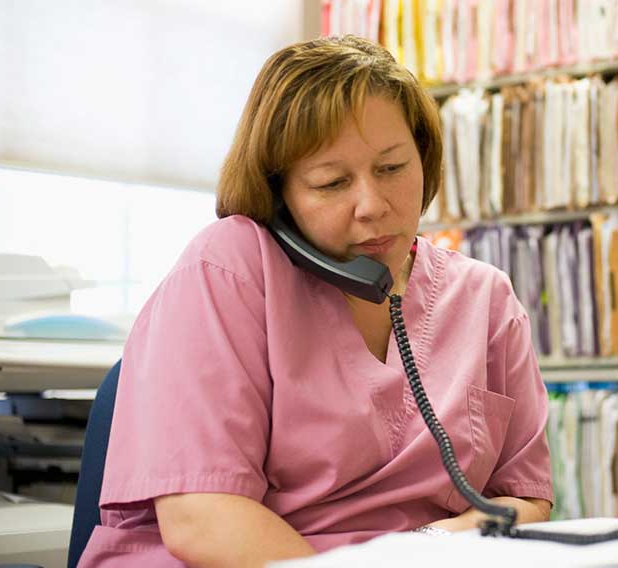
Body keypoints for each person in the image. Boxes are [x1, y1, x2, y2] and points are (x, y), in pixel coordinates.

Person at [78, 35, 553, 567]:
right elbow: (201, 519)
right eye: (331, 183)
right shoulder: (228, 268)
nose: (373, 206)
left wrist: (431, 547)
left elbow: (524, 497)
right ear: (278, 193)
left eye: (393, 168)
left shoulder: (485, 297)